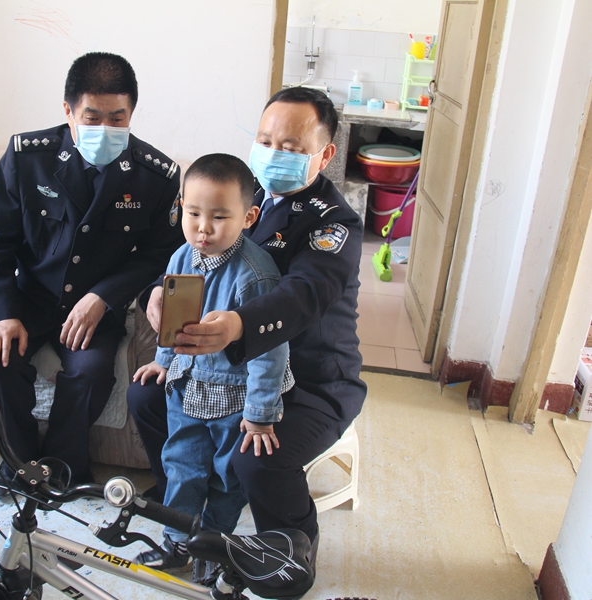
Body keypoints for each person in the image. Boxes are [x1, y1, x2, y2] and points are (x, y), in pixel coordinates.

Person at [127, 86, 367, 575]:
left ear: (324, 155)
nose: (274, 155)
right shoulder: (242, 191)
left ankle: (293, 545)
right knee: (148, 396)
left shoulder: (334, 224)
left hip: (311, 378)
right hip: (223, 367)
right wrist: (158, 290)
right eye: (265, 140)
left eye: (293, 148)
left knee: (254, 457)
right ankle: (184, 500)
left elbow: (302, 295)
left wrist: (238, 325)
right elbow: (197, 250)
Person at [0, 52, 183, 489]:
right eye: (91, 117)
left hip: (96, 305)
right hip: (30, 297)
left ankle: (63, 467)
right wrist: (1, 313)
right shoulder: (26, 158)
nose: (105, 130)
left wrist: (103, 297)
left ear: (131, 114)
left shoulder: (156, 176)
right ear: (67, 111)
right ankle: (20, 462)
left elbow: (158, 256)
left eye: (117, 118)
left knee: (90, 373)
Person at [130, 154, 293, 571]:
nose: (203, 228)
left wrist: (259, 415)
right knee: (181, 466)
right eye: (193, 213)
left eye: (219, 217)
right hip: (185, 389)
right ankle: (176, 544)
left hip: (234, 399)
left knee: (225, 479)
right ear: (180, 206)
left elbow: (269, 350)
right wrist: (164, 360)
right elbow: (174, 321)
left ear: (249, 216)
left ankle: (214, 551)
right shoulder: (181, 258)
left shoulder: (256, 275)